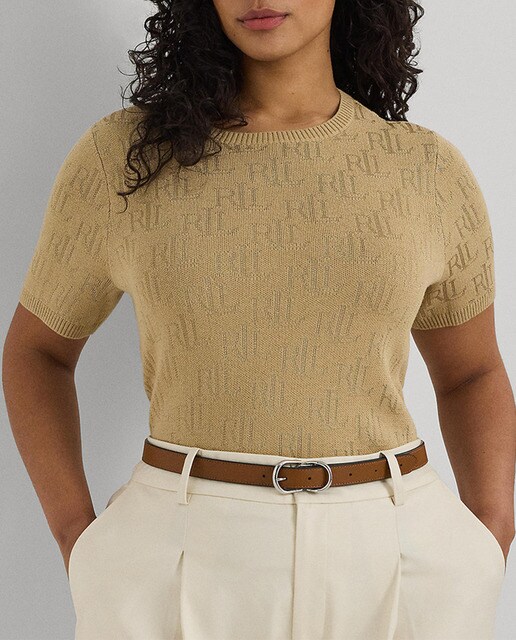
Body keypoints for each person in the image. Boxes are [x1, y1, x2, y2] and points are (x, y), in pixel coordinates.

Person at [3, 0, 515, 638]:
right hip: (177, 550)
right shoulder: (126, 159)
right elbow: (38, 351)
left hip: (396, 555)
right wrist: (76, 538)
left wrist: (489, 538)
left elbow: (471, 372)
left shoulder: (424, 171)